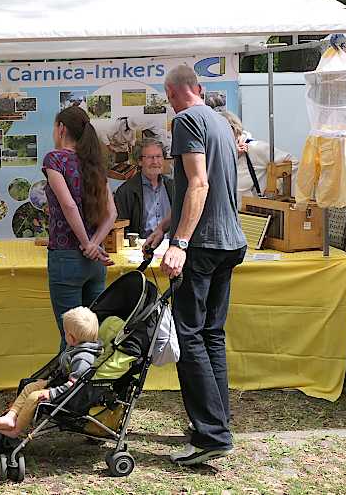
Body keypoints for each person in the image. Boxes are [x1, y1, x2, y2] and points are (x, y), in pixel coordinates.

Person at [145, 66, 246, 466]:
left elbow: (199, 183)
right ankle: (218, 425)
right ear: (199, 89)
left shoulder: (185, 121)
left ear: (171, 93)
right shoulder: (220, 122)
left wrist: (180, 243)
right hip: (229, 241)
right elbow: (207, 187)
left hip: (202, 246)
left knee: (189, 337)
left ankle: (210, 434)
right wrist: (164, 228)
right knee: (212, 335)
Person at [44, 106, 117, 352]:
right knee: (91, 336)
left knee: (71, 338)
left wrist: (87, 243)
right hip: (94, 263)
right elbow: (112, 213)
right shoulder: (94, 163)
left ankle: (70, 388)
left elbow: (68, 204)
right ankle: (91, 388)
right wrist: (94, 244)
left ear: (61, 129)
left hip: (66, 257)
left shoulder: (55, 159)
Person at [0, 306, 102, 438]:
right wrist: (49, 382)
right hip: (63, 386)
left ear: (71, 337)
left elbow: (74, 387)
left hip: (70, 396)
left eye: (65, 332)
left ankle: (16, 430)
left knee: (33, 397)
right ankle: (11, 416)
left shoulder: (83, 359)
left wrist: (52, 393)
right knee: (30, 387)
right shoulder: (75, 348)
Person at [218, 111, 297, 207]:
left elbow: (293, 164)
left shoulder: (255, 149)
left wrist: (273, 189)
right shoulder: (219, 154)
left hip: (254, 214)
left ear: (233, 131)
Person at [113, 139, 175, 239]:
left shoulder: (173, 187)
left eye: (159, 156)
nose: (155, 162)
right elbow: (121, 228)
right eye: (150, 157)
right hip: (141, 247)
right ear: (140, 161)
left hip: (171, 247)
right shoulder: (126, 191)